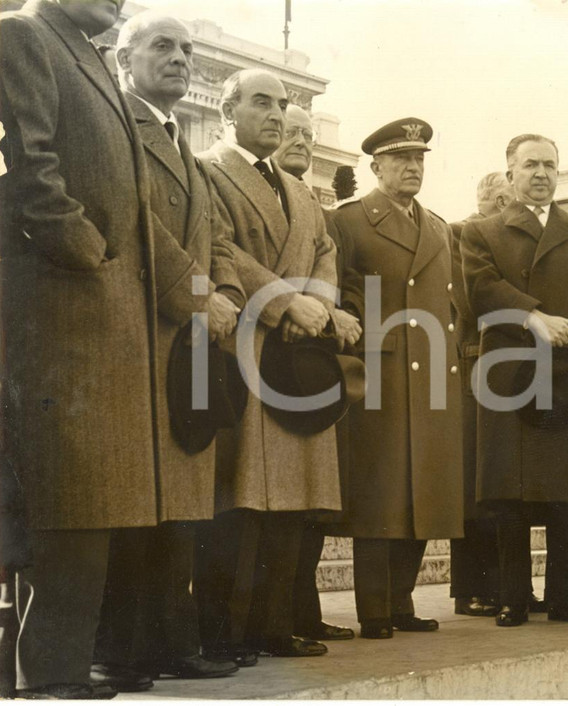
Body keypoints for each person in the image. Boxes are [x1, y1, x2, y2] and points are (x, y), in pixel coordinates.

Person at [0, 0, 167, 698]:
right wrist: (87, 252)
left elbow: (133, 202)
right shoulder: (23, 36)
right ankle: (45, 679)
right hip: (63, 309)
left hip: (105, 314)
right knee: (66, 500)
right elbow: (25, 163)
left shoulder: (91, 55)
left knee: (89, 505)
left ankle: (58, 672)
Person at [91, 12, 246, 692]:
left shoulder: (183, 142)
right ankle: (122, 649)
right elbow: (132, 217)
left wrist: (219, 298)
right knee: (135, 499)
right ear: (124, 59)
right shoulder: (114, 121)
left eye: (187, 48)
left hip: (185, 340)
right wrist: (200, 299)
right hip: (135, 332)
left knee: (180, 497)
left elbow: (207, 236)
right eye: (163, 46)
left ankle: (167, 641)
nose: (181, 58)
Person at [195, 69, 344, 661]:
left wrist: (322, 305)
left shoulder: (300, 189)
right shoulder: (208, 169)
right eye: (263, 102)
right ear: (228, 110)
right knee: (242, 498)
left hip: (299, 355)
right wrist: (290, 301)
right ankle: (225, 633)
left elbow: (326, 251)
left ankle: (274, 625)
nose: (278, 115)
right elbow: (220, 248)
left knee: (293, 498)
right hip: (248, 348)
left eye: (283, 104)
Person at [461, 134, 568, 628]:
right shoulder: (481, 231)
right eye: (530, 165)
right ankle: (513, 596)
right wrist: (536, 318)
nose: (541, 174)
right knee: (511, 492)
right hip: (511, 369)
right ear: (510, 174)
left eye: (550, 165)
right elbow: (482, 288)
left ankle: (565, 597)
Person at [327, 118, 463, 639]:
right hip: (377, 372)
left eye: (420, 159)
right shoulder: (351, 221)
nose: (413, 167)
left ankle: (402, 603)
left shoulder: (438, 227)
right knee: (379, 493)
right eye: (402, 158)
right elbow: (337, 293)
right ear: (376, 166)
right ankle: (375, 610)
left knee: (423, 491)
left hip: (429, 373)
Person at [274, 103, 360, 644]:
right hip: (268, 347)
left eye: (309, 133)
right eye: (291, 131)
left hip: (309, 350)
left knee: (309, 500)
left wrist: (321, 307)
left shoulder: (309, 201)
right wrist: (291, 304)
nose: (303, 141)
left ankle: (302, 612)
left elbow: (328, 264)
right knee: (279, 496)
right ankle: (276, 618)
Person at [449, 172, 512, 618]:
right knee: (474, 487)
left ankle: (498, 586)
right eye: (502, 201)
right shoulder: (465, 236)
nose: (510, 210)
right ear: (484, 200)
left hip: (500, 367)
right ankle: (470, 588)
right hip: (474, 364)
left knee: (496, 484)